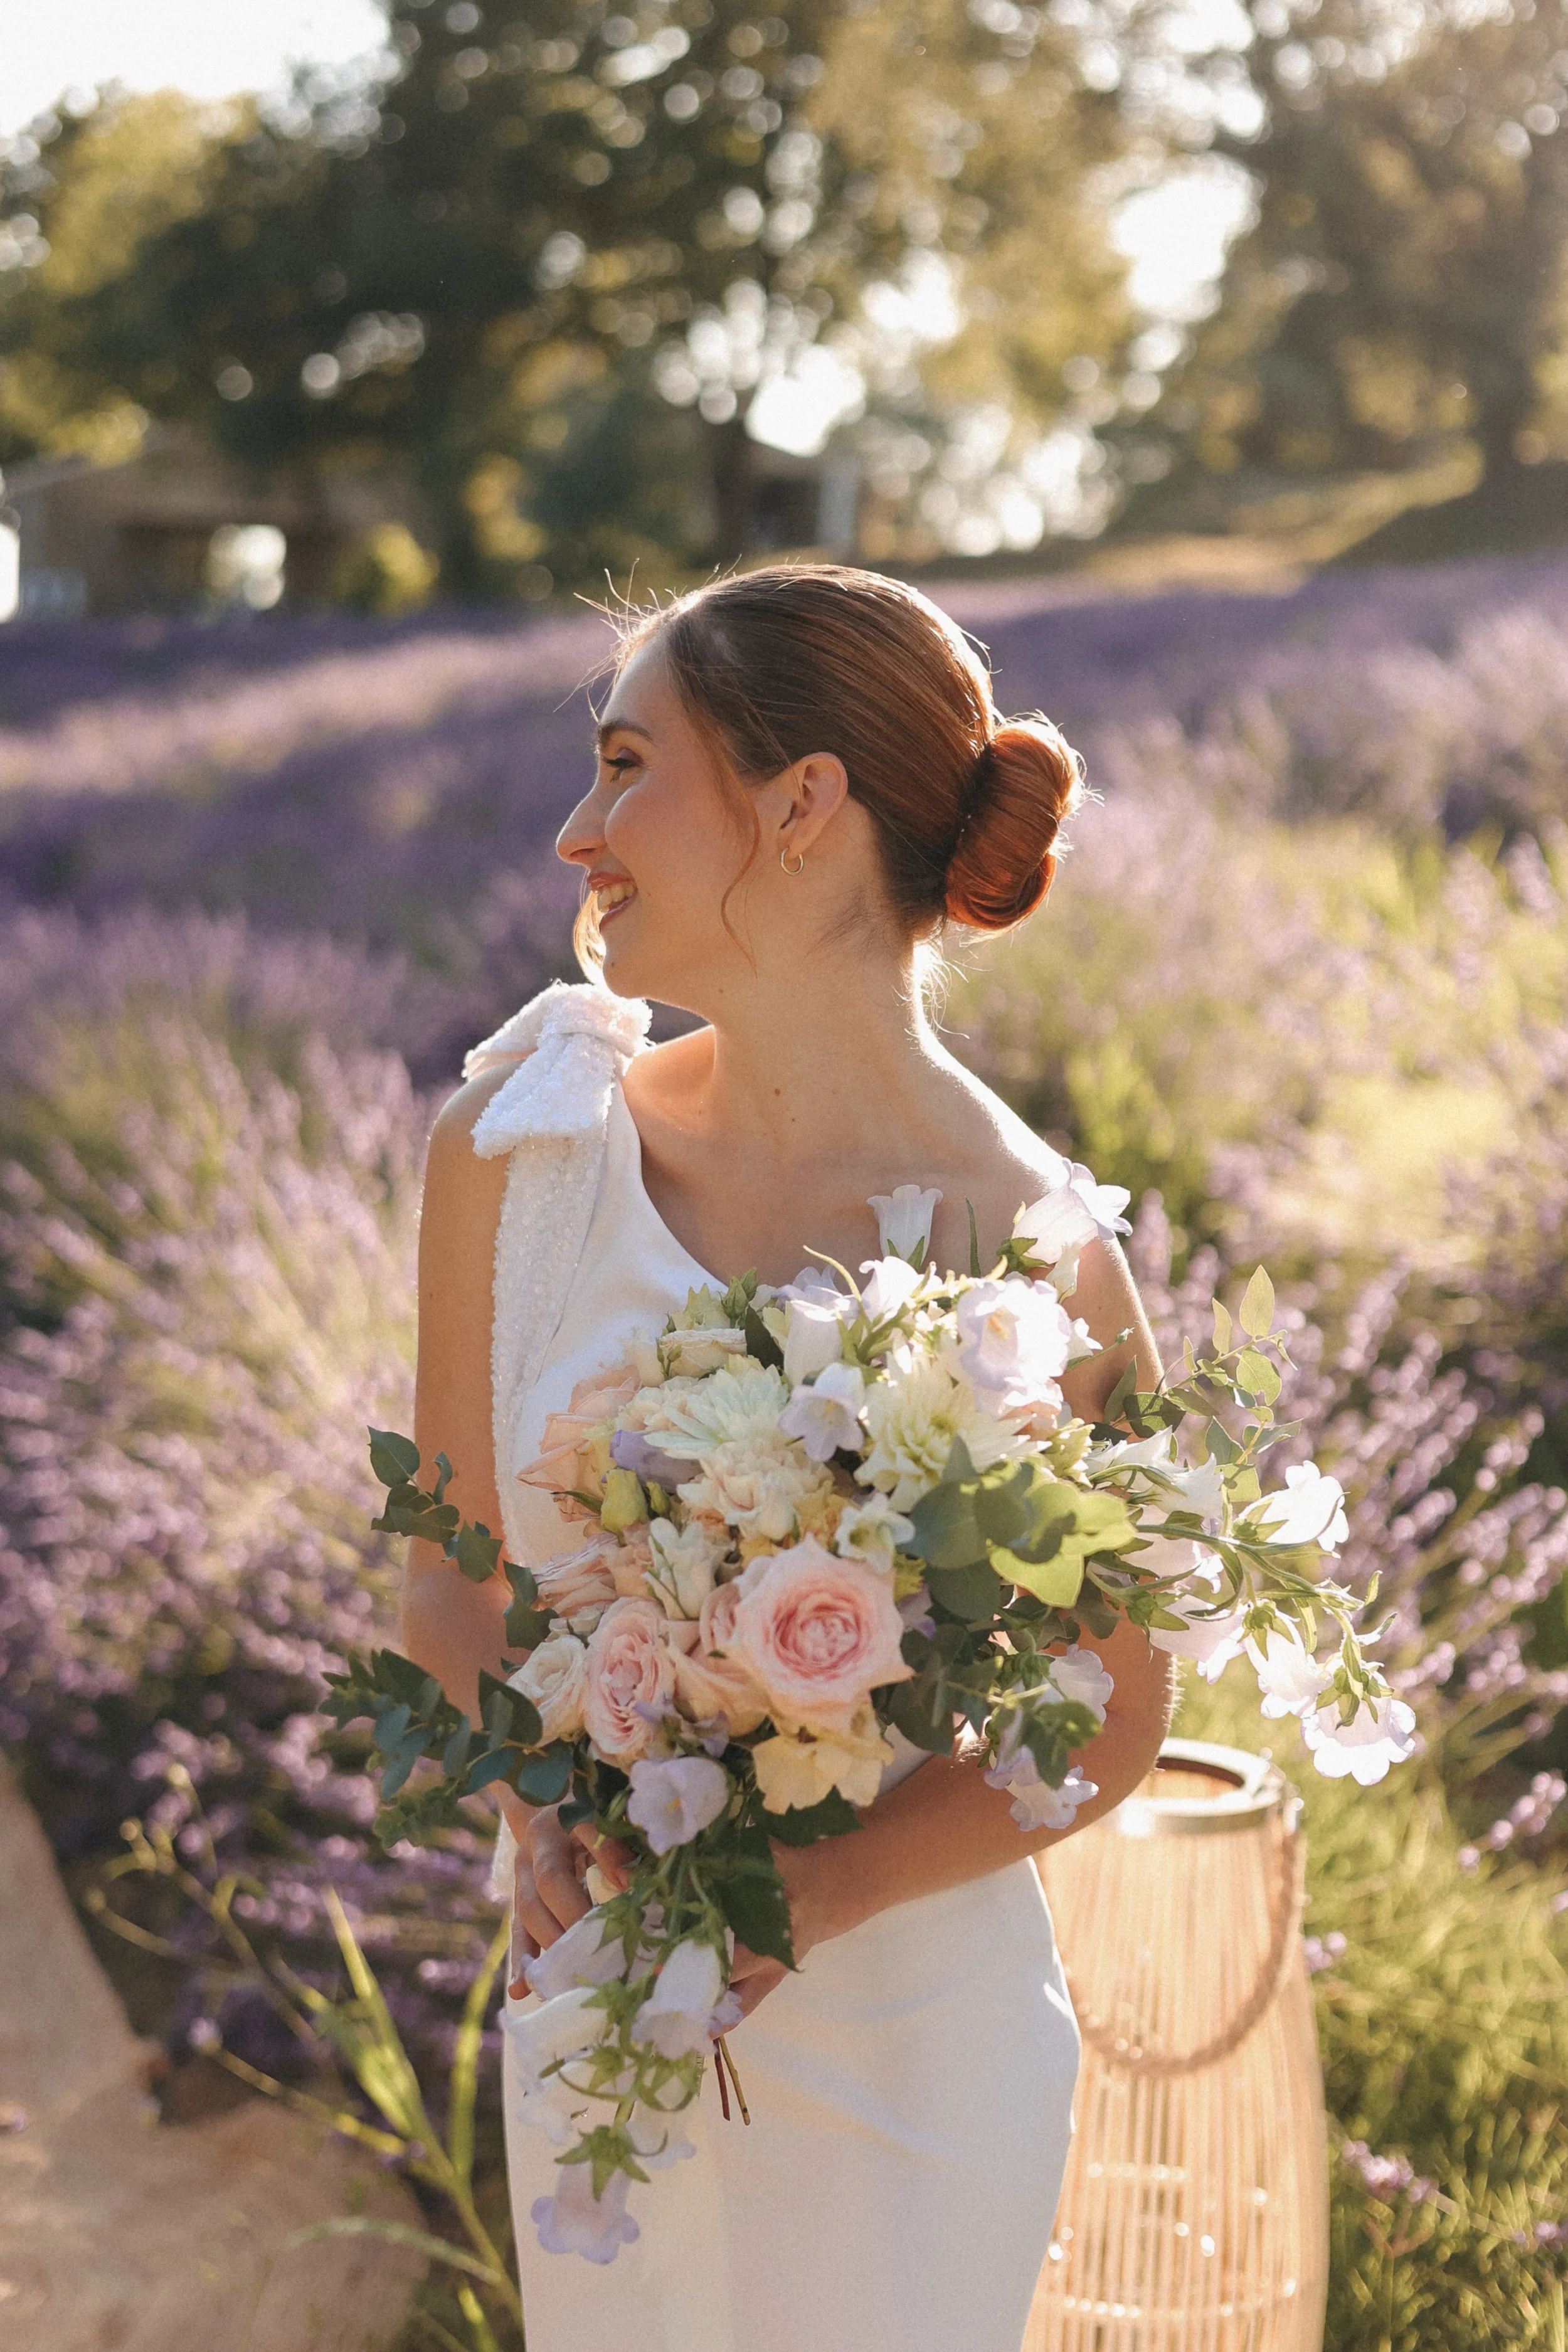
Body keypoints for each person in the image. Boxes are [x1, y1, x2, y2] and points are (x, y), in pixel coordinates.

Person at [403, 563, 1173, 2352]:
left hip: (920, 2044)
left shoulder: (1038, 1244)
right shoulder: (514, 1152)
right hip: (603, 2012)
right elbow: (446, 1572)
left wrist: (808, 1894)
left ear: (800, 805)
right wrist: (540, 1796)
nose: (572, 831)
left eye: (623, 763)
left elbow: (1110, 1709)